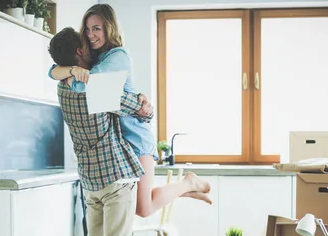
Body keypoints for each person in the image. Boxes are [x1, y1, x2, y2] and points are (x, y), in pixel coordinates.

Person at [48, 4, 212, 219]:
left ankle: (187, 183)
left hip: (135, 135)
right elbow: (52, 71)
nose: (90, 35)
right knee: (138, 204)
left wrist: (71, 74)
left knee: (142, 209)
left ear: (109, 28)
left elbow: (86, 87)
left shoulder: (118, 56)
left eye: (96, 28)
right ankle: (187, 189)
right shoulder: (97, 57)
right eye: (87, 30)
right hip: (120, 140)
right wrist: (70, 69)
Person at [49, 27, 154, 236]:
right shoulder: (96, 88)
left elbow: (56, 72)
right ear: (80, 53)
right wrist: (144, 103)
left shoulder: (63, 89)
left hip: (90, 182)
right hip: (118, 178)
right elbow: (140, 111)